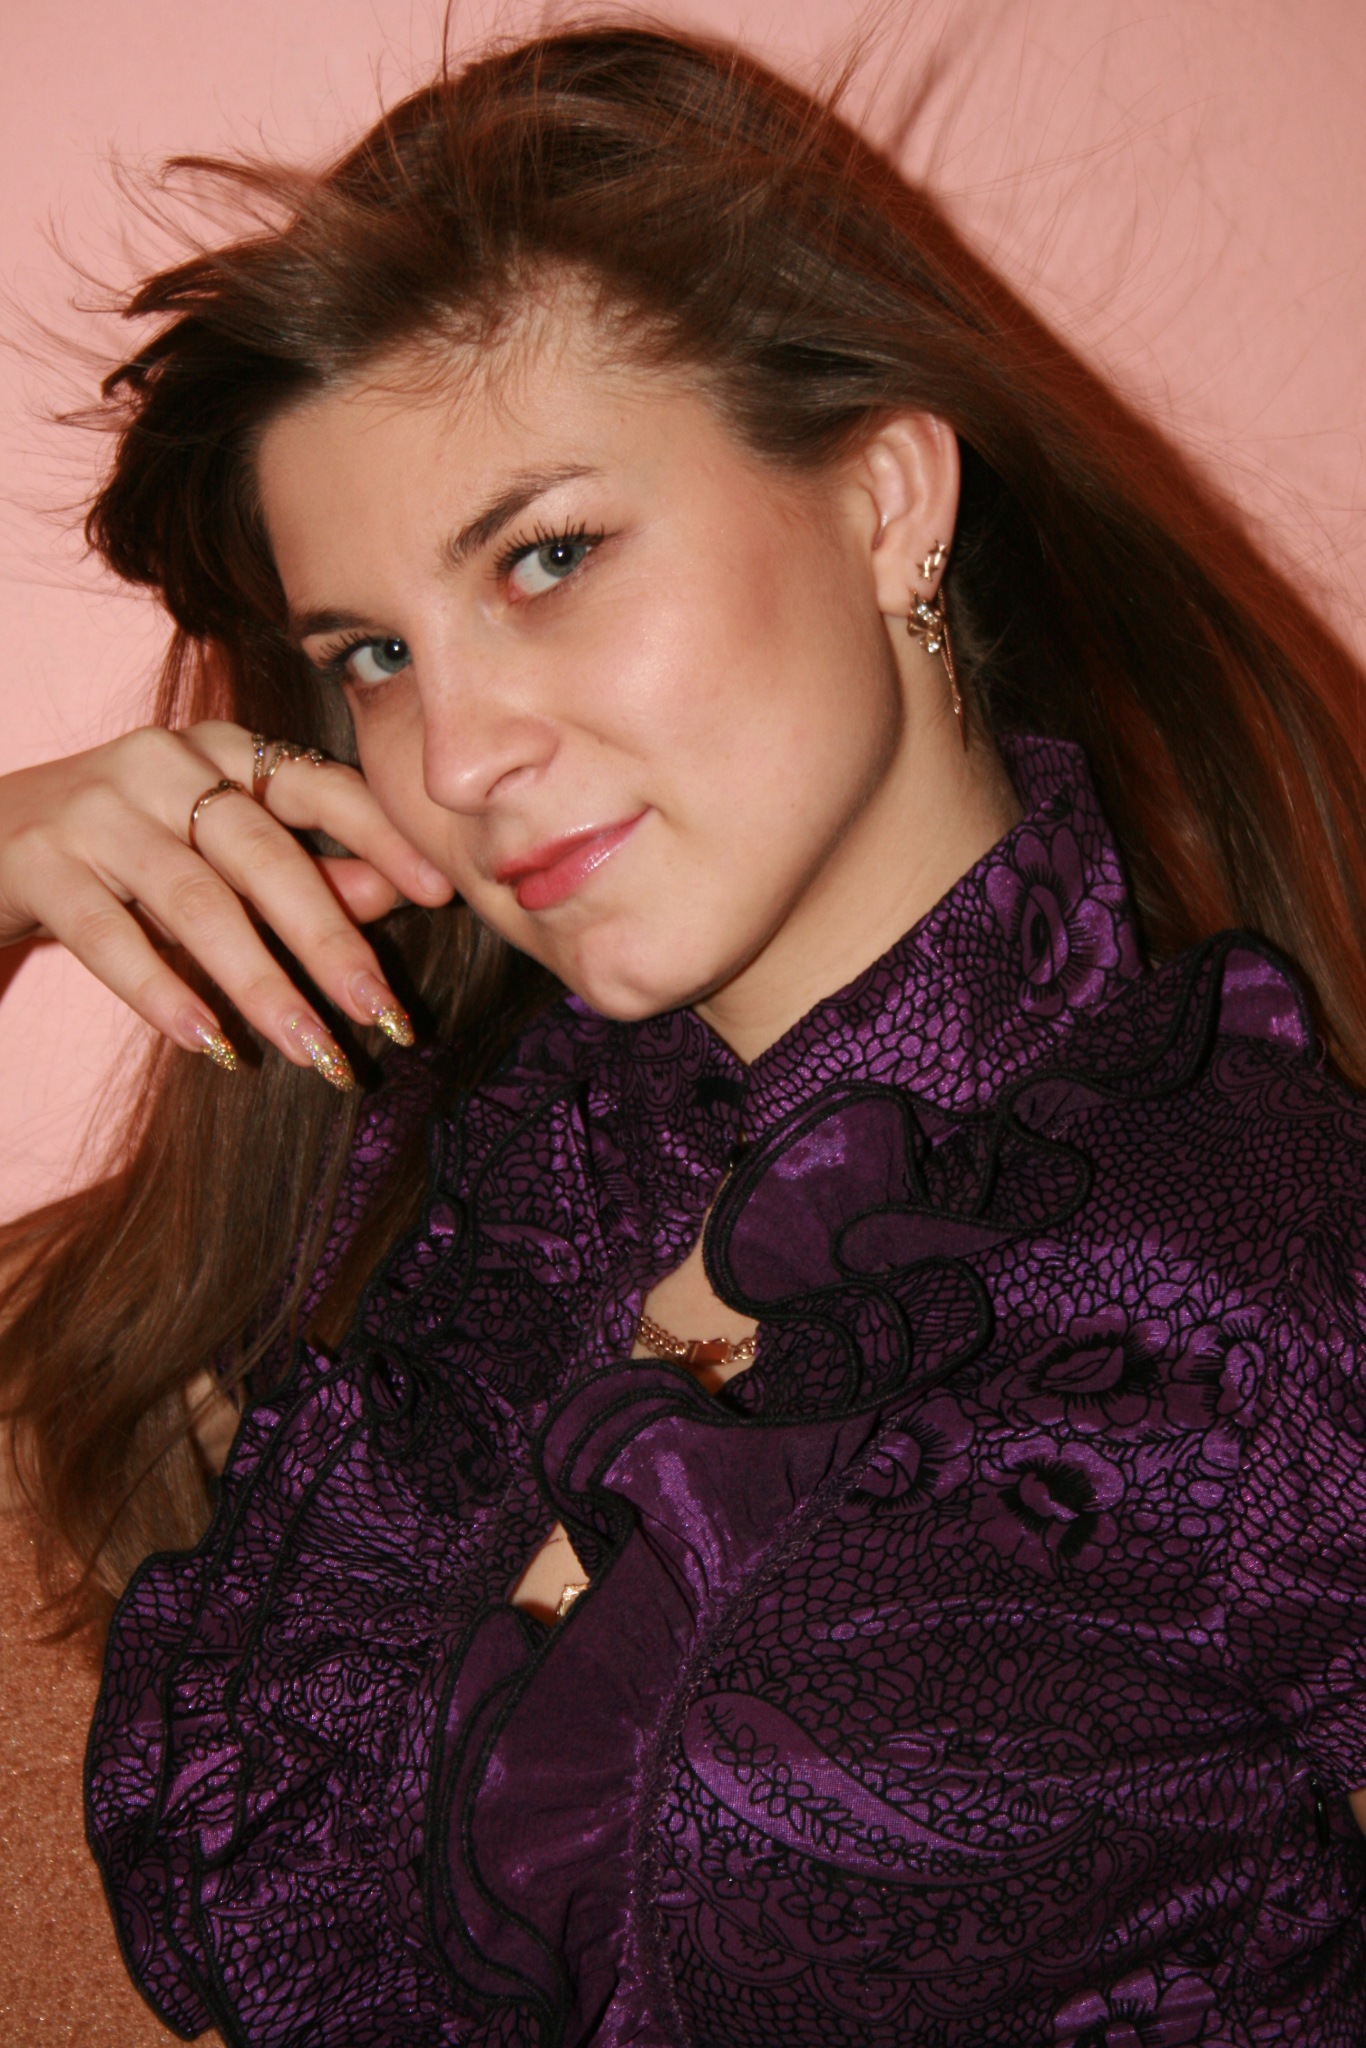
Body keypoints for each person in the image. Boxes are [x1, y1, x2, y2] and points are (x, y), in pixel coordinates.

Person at [1, 23, 1365, 2045]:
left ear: (886, 504)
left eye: (546, 558)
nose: (455, 753)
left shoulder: (1266, 1272)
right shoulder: (419, 1219)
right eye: (371, 655)